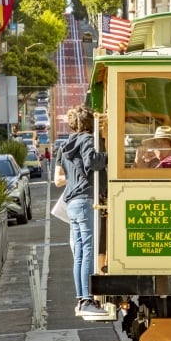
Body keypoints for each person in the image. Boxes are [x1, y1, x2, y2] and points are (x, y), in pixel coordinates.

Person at [54, 105, 108, 316]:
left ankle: (80, 297)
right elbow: (92, 162)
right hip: (85, 200)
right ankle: (87, 299)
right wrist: (108, 157)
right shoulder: (86, 140)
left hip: (72, 202)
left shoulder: (66, 144)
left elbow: (61, 176)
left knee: (79, 253)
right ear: (89, 123)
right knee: (87, 251)